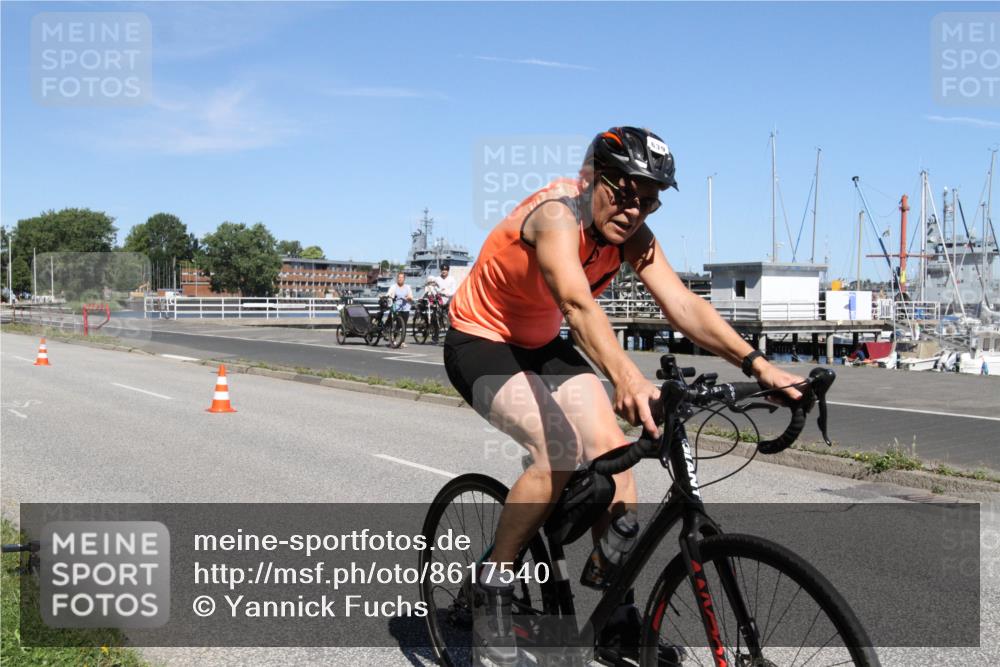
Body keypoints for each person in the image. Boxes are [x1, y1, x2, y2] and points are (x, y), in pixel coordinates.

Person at [444, 126, 805, 665]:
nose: (635, 211)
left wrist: (758, 364)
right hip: (482, 339)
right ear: (591, 180)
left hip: (540, 343)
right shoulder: (556, 217)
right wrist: (627, 377)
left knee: (616, 459)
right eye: (624, 193)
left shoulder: (628, 235)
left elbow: (684, 308)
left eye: (650, 202)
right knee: (557, 453)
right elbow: (576, 304)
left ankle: (615, 619)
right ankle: (492, 582)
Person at [424, 263, 457, 342]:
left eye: (445, 270)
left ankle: (450, 336)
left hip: (449, 301)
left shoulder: (452, 279)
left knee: (450, 319)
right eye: (442, 270)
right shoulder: (437, 279)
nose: (444, 271)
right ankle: (436, 336)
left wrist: (445, 293)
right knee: (435, 318)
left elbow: (453, 291)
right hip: (438, 301)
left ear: (448, 271)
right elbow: (431, 284)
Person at [386, 272, 414, 346]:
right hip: (397, 308)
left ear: (404, 279)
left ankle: (402, 341)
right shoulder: (394, 287)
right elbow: (389, 294)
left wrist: (409, 297)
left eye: (402, 277)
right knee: (398, 325)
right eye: (399, 277)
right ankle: (394, 338)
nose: (400, 279)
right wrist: (389, 296)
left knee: (404, 325)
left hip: (406, 308)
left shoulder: (407, 287)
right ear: (397, 278)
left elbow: (411, 297)